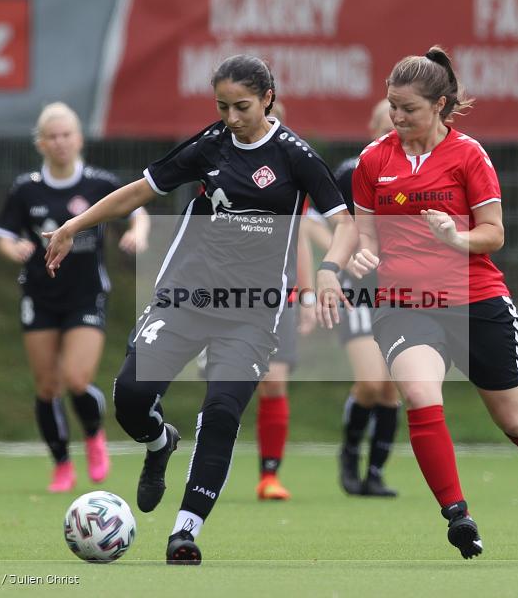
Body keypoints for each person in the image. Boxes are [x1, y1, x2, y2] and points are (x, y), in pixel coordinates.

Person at [43, 55, 358, 565]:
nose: (232, 117)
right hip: (186, 295)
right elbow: (138, 192)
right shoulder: (209, 145)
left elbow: (345, 223)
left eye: (242, 106)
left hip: (253, 311)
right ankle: (159, 442)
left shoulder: (296, 157)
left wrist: (327, 271)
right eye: (222, 106)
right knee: (130, 397)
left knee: (221, 412)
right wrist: (73, 227)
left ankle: (184, 532)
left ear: (268, 98)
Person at [350, 46, 518, 559]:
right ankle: (457, 515)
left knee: (514, 420)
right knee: (419, 394)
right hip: (405, 304)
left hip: (476, 302)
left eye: (408, 108)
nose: (397, 116)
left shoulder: (469, 155)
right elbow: (365, 235)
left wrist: (456, 237)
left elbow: (494, 235)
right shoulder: (372, 160)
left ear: (440, 105)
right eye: (392, 106)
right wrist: (363, 257)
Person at [0, 102, 149, 493]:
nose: (60, 143)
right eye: (53, 137)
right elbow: (4, 234)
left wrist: (138, 233)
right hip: (40, 295)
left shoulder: (98, 182)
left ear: (79, 139)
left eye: (67, 135)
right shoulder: (26, 188)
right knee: (47, 386)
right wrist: (13, 250)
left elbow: (137, 210)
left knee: (77, 379)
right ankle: (61, 463)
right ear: (41, 143)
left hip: (86, 294)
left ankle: (94, 437)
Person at [305, 100, 401, 497]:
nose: (392, 129)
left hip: (400, 291)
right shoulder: (351, 171)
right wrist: (340, 255)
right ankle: (349, 457)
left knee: (394, 387)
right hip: (358, 290)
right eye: (385, 123)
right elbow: (311, 223)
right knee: (370, 381)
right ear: (371, 127)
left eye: (399, 122)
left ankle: (375, 473)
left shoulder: (417, 172)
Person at [250, 100, 319, 501]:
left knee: (274, 384)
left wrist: (307, 295)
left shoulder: (294, 169)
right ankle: (206, 472)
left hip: (279, 295)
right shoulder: (220, 161)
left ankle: (268, 476)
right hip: (231, 293)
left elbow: (300, 240)